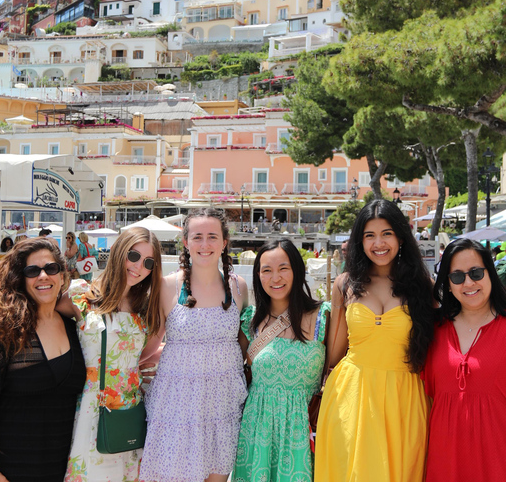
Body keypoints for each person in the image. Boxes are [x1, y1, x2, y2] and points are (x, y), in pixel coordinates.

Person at [314, 199, 435, 482]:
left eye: (386, 234)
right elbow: (333, 352)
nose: (378, 243)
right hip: (351, 395)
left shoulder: (422, 285)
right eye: (369, 235)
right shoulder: (345, 283)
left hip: (403, 397)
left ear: (401, 237)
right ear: (360, 241)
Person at [426, 239, 506, 481]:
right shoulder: (434, 331)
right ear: (448, 283)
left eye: (476, 272)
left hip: (505, 465)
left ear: (490, 273)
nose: (468, 282)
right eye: (457, 276)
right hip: (444, 465)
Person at [140, 208, 249, 482]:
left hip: (223, 405)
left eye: (212, 236)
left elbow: (242, 342)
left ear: (224, 242)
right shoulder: (167, 287)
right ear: (186, 242)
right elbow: (150, 346)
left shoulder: (239, 287)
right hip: (177, 406)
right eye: (197, 237)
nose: (205, 244)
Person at [0, 238, 86, 482]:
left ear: (63, 277)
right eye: (33, 271)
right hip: (9, 467)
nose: (43, 276)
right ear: (20, 279)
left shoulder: (75, 328)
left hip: (62, 467)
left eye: (51, 269)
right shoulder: (2, 330)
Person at [60, 227, 164, 481]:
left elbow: (146, 355)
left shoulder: (147, 308)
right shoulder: (81, 295)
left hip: (129, 411)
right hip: (88, 407)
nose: (139, 266)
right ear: (119, 252)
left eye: (148, 262)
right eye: (134, 256)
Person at [233, 239, 329, 482]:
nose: (275, 278)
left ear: (297, 270)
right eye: (267, 270)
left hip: (304, 430)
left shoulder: (324, 317)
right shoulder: (250, 320)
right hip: (257, 431)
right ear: (258, 276)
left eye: (283, 268)